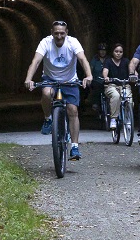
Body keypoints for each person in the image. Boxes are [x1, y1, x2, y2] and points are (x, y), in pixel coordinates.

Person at [24, 20, 93, 160]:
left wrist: (89, 75)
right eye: (56, 33)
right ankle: (48, 119)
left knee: (72, 110)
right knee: (46, 93)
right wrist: (28, 79)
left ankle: (74, 147)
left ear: (66, 33)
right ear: (51, 33)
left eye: (62, 33)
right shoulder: (45, 42)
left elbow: (82, 59)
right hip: (50, 78)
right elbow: (36, 61)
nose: (59, 36)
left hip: (70, 80)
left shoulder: (73, 42)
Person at [102, 42, 132, 130]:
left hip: (124, 85)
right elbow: (105, 71)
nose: (118, 53)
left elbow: (132, 70)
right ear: (113, 52)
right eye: (116, 51)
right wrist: (106, 77)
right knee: (116, 96)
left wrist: (135, 76)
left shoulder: (126, 61)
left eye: (120, 52)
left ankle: (128, 118)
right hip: (111, 85)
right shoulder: (108, 61)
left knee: (129, 99)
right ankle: (113, 119)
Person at [88, 42, 108, 115]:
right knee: (97, 87)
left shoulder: (108, 59)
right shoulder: (94, 60)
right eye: (101, 50)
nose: (102, 52)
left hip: (107, 80)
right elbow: (90, 69)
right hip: (97, 80)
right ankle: (95, 103)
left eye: (104, 50)